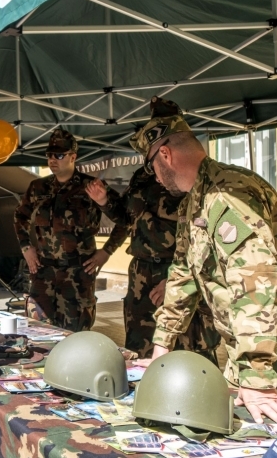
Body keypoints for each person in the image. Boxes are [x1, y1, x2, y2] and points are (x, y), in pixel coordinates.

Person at [131, 111, 277, 423]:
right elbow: (182, 275)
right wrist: (161, 350)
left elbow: (256, 283)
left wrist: (257, 379)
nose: (155, 177)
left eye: (151, 167)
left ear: (165, 154)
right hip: (254, 358)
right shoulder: (195, 201)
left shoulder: (229, 196)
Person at [86, 97, 219, 360]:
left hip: (176, 268)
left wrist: (177, 277)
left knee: (186, 347)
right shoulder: (142, 175)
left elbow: (204, 235)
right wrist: (105, 201)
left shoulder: (191, 176)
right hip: (142, 270)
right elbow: (126, 216)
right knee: (139, 344)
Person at [14, 128, 126, 332]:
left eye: (59, 155)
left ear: (73, 157)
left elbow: (125, 220)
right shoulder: (37, 188)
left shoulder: (92, 186)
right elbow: (20, 217)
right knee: (38, 332)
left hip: (77, 275)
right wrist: (25, 247)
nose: (52, 160)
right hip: (43, 273)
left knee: (76, 336)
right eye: (49, 155)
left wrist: (107, 251)